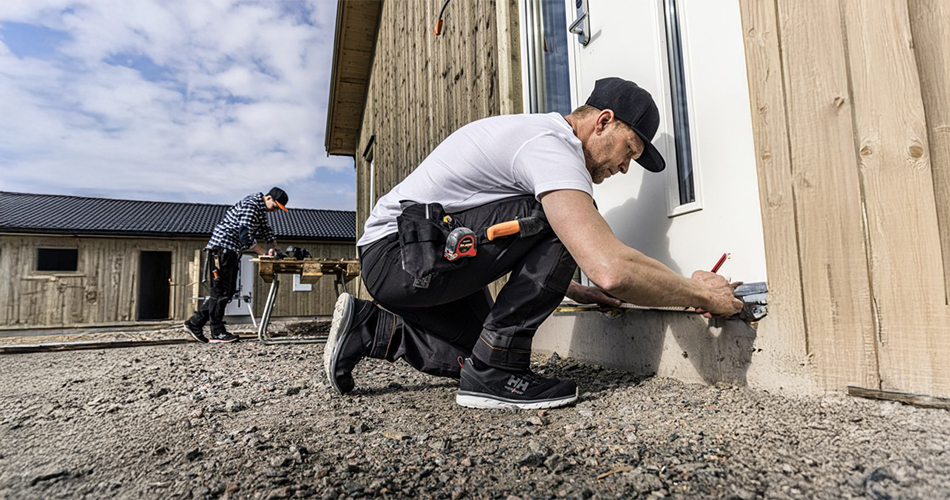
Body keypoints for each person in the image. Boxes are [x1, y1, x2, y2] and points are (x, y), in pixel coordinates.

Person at [324, 78, 742, 409]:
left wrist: (572, 286)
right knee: (557, 219)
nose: (625, 167)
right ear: (603, 122)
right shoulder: (550, 147)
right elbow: (611, 269)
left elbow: (497, 239)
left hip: (409, 262)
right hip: (402, 256)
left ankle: (371, 329)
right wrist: (701, 293)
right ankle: (499, 370)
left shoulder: (536, 138)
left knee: (477, 356)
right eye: (629, 150)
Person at [184, 187, 289, 343]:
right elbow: (245, 234)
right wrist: (263, 253)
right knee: (220, 291)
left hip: (231, 251)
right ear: (268, 198)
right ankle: (217, 332)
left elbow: (266, 231)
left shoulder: (259, 210)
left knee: (228, 290)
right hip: (222, 249)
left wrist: (277, 249)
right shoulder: (251, 205)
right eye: (275, 207)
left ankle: (195, 323)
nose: (275, 211)